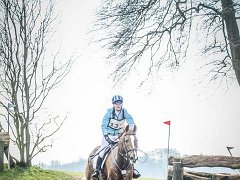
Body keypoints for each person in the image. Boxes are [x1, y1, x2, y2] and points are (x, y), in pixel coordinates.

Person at [92, 95, 141, 179]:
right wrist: (106, 136)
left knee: (127, 149)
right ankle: (97, 170)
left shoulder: (124, 112)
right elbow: (103, 125)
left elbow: (130, 121)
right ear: (113, 104)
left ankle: (133, 170)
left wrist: (131, 129)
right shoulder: (109, 113)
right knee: (102, 152)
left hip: (119, 136)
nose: (118, 105)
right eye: (116, 103)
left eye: (119, 103)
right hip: (108, 136)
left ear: (122, 104)